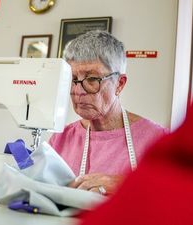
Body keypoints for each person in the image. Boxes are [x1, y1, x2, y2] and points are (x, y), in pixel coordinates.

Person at [48, 30, 167, 196]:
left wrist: (124, 184)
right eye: (73, 79)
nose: (78, 91)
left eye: (92, 79)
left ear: (120, 83)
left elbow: (178, 198)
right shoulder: (60, 138)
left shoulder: (156, 140)